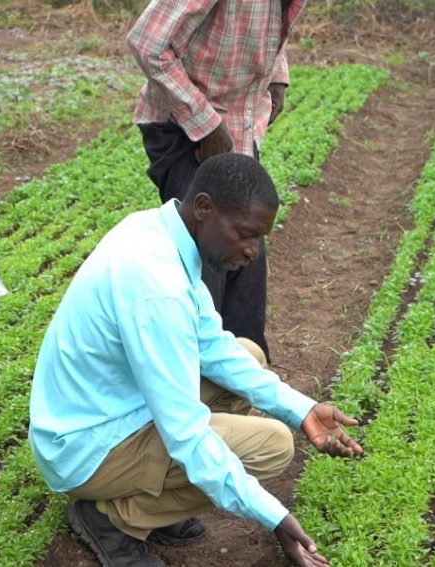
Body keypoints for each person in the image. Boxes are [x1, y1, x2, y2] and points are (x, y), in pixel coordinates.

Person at [28, 154, 363, 567]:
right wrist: (274, 518)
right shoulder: (157, 288)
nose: (252, 251)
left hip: (100, 410)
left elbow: (212, 346)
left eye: (258, 238)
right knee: (271, 447)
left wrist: (303, 409)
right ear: (205, 208)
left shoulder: (155, 231)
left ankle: (154, 501)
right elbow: (185, 433)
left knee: (246, 354)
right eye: (245, 234)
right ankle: (115, 519)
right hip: (87, 448)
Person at [126, 0, 305, 364]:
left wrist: (276, 77)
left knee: (246, 270)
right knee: (203, 275)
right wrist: (203, 122)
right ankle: (187, 397)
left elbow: (273, 25)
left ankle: (238, 392)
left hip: (239, 128)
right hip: (187, 134)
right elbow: (148, 42)